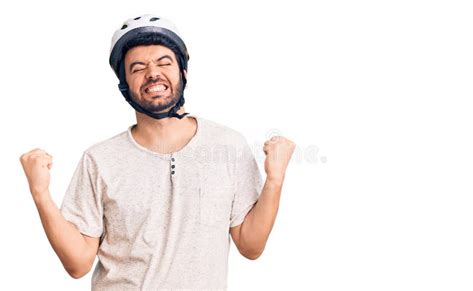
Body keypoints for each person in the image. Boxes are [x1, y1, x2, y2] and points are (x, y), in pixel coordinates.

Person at [19, 14, 295, 290]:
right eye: (138, 67)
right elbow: (78, 264)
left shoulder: (228, 146)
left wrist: (275, 180)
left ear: (183, 72)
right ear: (124, 85)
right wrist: (41, 194)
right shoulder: (100, 160)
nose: (153, 72)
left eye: (164, 62)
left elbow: (250, 246)